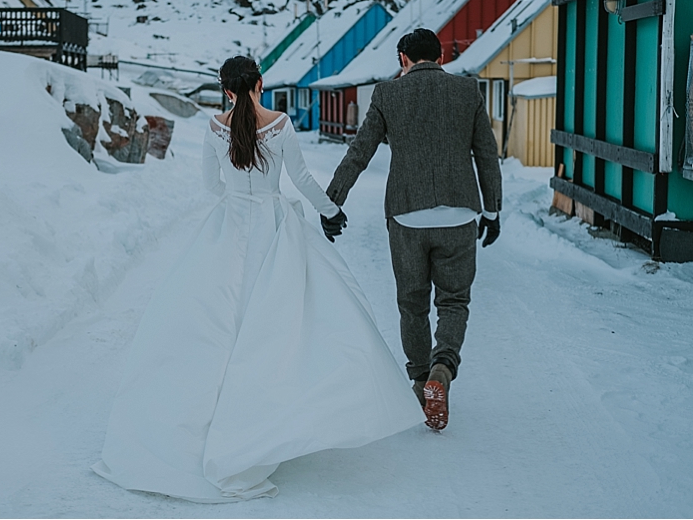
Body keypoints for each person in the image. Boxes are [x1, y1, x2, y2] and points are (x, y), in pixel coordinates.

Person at [92, 56, 421, 502]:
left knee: (215, 327)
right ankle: (262, 421)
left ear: (226, 90)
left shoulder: (213, 128)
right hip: (273, 229)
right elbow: (301, 178)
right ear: (260, 83)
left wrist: (234, 194)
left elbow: (211, 188)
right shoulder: (280, 124)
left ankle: (199, 423)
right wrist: (330, 210)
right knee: (278, 329)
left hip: (228, 228)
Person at [323, 28, 502, 431]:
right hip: (459, 214)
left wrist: (333, 202)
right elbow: (486, 156)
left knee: (412, 303)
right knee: (454, 301)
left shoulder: (387, 95)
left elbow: (360, 152)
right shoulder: (467, 91)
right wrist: (492, 211)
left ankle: (422, 381)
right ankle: (444, 368)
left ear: (404, 58)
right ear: (438, 57)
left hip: (407, 216)